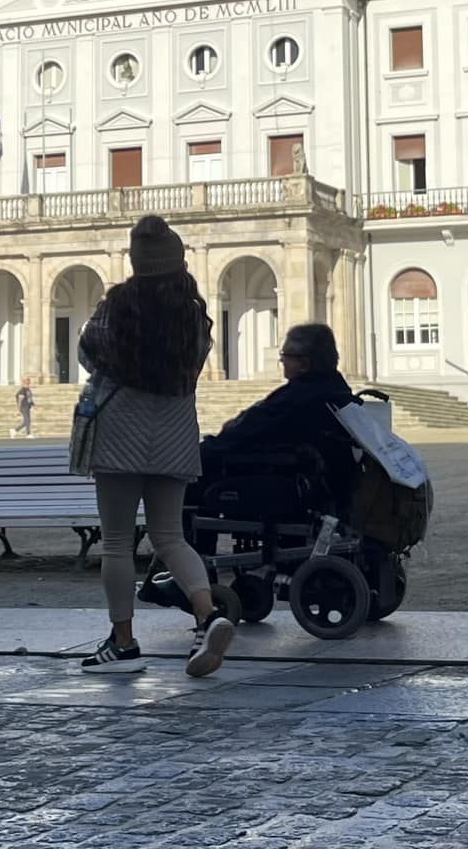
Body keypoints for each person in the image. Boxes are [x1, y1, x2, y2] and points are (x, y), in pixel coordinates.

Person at [76, 215, 234, 679]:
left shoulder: (117, 305)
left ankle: (123, 643)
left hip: (120, 426)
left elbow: (87, 352)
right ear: (178, 260)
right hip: (173, 429)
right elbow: (198, 361)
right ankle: (208, 616)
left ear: (136, 262)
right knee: (170, 536)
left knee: (119, 541)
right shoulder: (193, 313)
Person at [188, 321, 358, 562]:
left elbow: (247, 430)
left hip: (283, 476)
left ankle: (192, 562)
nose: (282, 362)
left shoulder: (299, 397)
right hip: (311, 479)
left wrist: (206, 449)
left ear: (304, 363)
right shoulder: (334, 388)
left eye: (286, 356)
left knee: (193, 471)